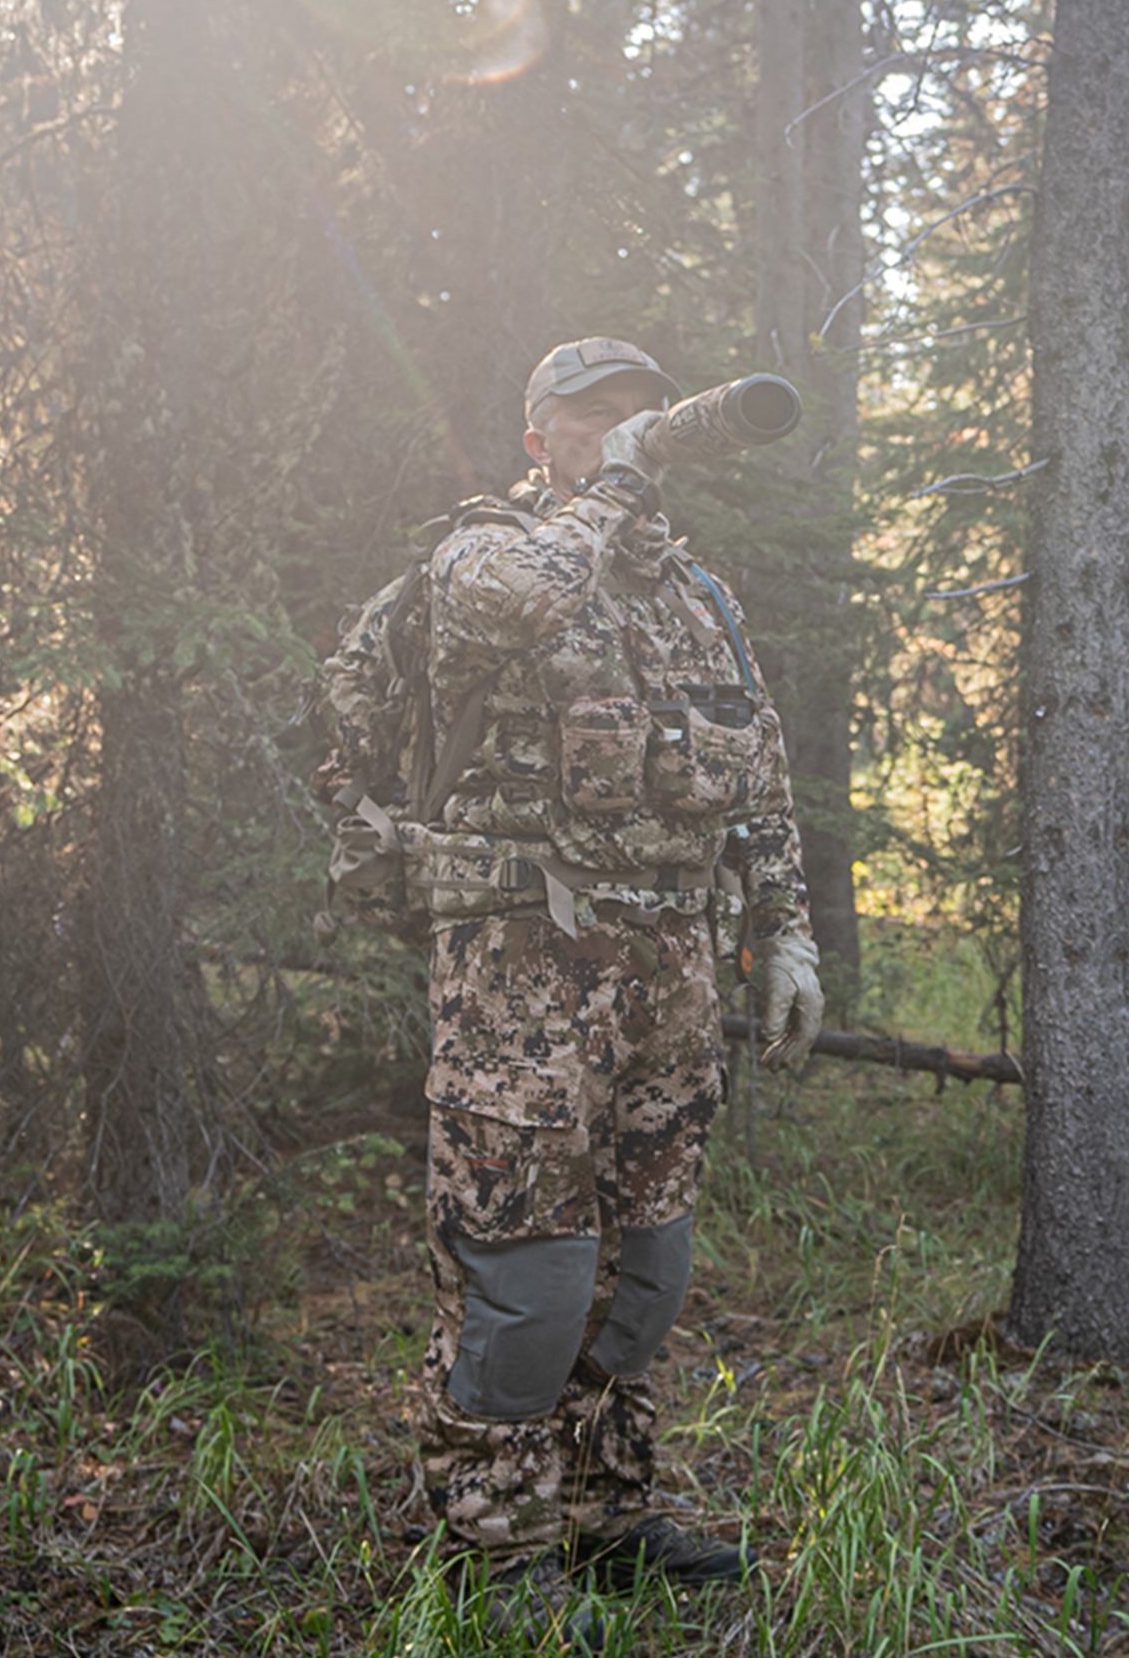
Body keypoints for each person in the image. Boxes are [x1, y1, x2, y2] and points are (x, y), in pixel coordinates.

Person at [369, 335, 823, 1601]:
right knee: (531, 1279)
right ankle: (495, 1556)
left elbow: (758, 769)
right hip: (522, 981)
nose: (625, 430)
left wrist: (783, 928)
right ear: (537, 440)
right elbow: (515, 601)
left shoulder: (701, 599)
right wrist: (611, 489)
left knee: (645, 1271)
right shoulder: (483, 555)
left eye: (642, 413)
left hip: (669, 984)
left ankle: (606, 1518)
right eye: (591, 418)